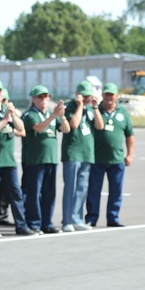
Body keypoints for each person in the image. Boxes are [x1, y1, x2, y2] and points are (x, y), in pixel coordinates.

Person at [0, 81, 35, 237]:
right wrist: (4, 120)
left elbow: (21, 129)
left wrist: (12, 115)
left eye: (0, 92)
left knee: (15, 194)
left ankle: (21, 225)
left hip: (9, 160)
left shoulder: (7, 110)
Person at [22, 85, 69, 234]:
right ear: (33, 99)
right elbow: (38, 128)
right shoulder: (30, 114)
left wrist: (61, 115)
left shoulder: (51, 114)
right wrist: (53, 116)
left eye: (46, 97)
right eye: (40, 97)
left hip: (51, 159)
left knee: (49, 193)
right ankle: (34, 223)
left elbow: (66, 129)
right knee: (34, 193)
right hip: (35, 160)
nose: (43, 100)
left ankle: (46, 222)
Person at [86, 82, 134, 228]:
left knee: (116, 191)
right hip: (97, 159)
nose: (109, 97)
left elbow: (129, 135)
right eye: (106, 94)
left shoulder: (123, 113)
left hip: (117, 159)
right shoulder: (95, 110)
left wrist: (130, 154)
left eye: (111, 95)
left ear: (116, 96)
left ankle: (113, 218)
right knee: (94, 190)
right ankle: (91, 218)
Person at [61, 81, 103, 232]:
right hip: (73, 153)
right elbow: (74, 124)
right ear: (77, 94)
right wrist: (79, 106)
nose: (86, 99)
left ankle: (77, 218)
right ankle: (67, 221)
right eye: (84, 96)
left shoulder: (91, 109)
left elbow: (100, 126)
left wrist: (96, 107)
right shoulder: (70, 107)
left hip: (87, 153)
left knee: (82, 188)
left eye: (88, 96)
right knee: (70, 187)